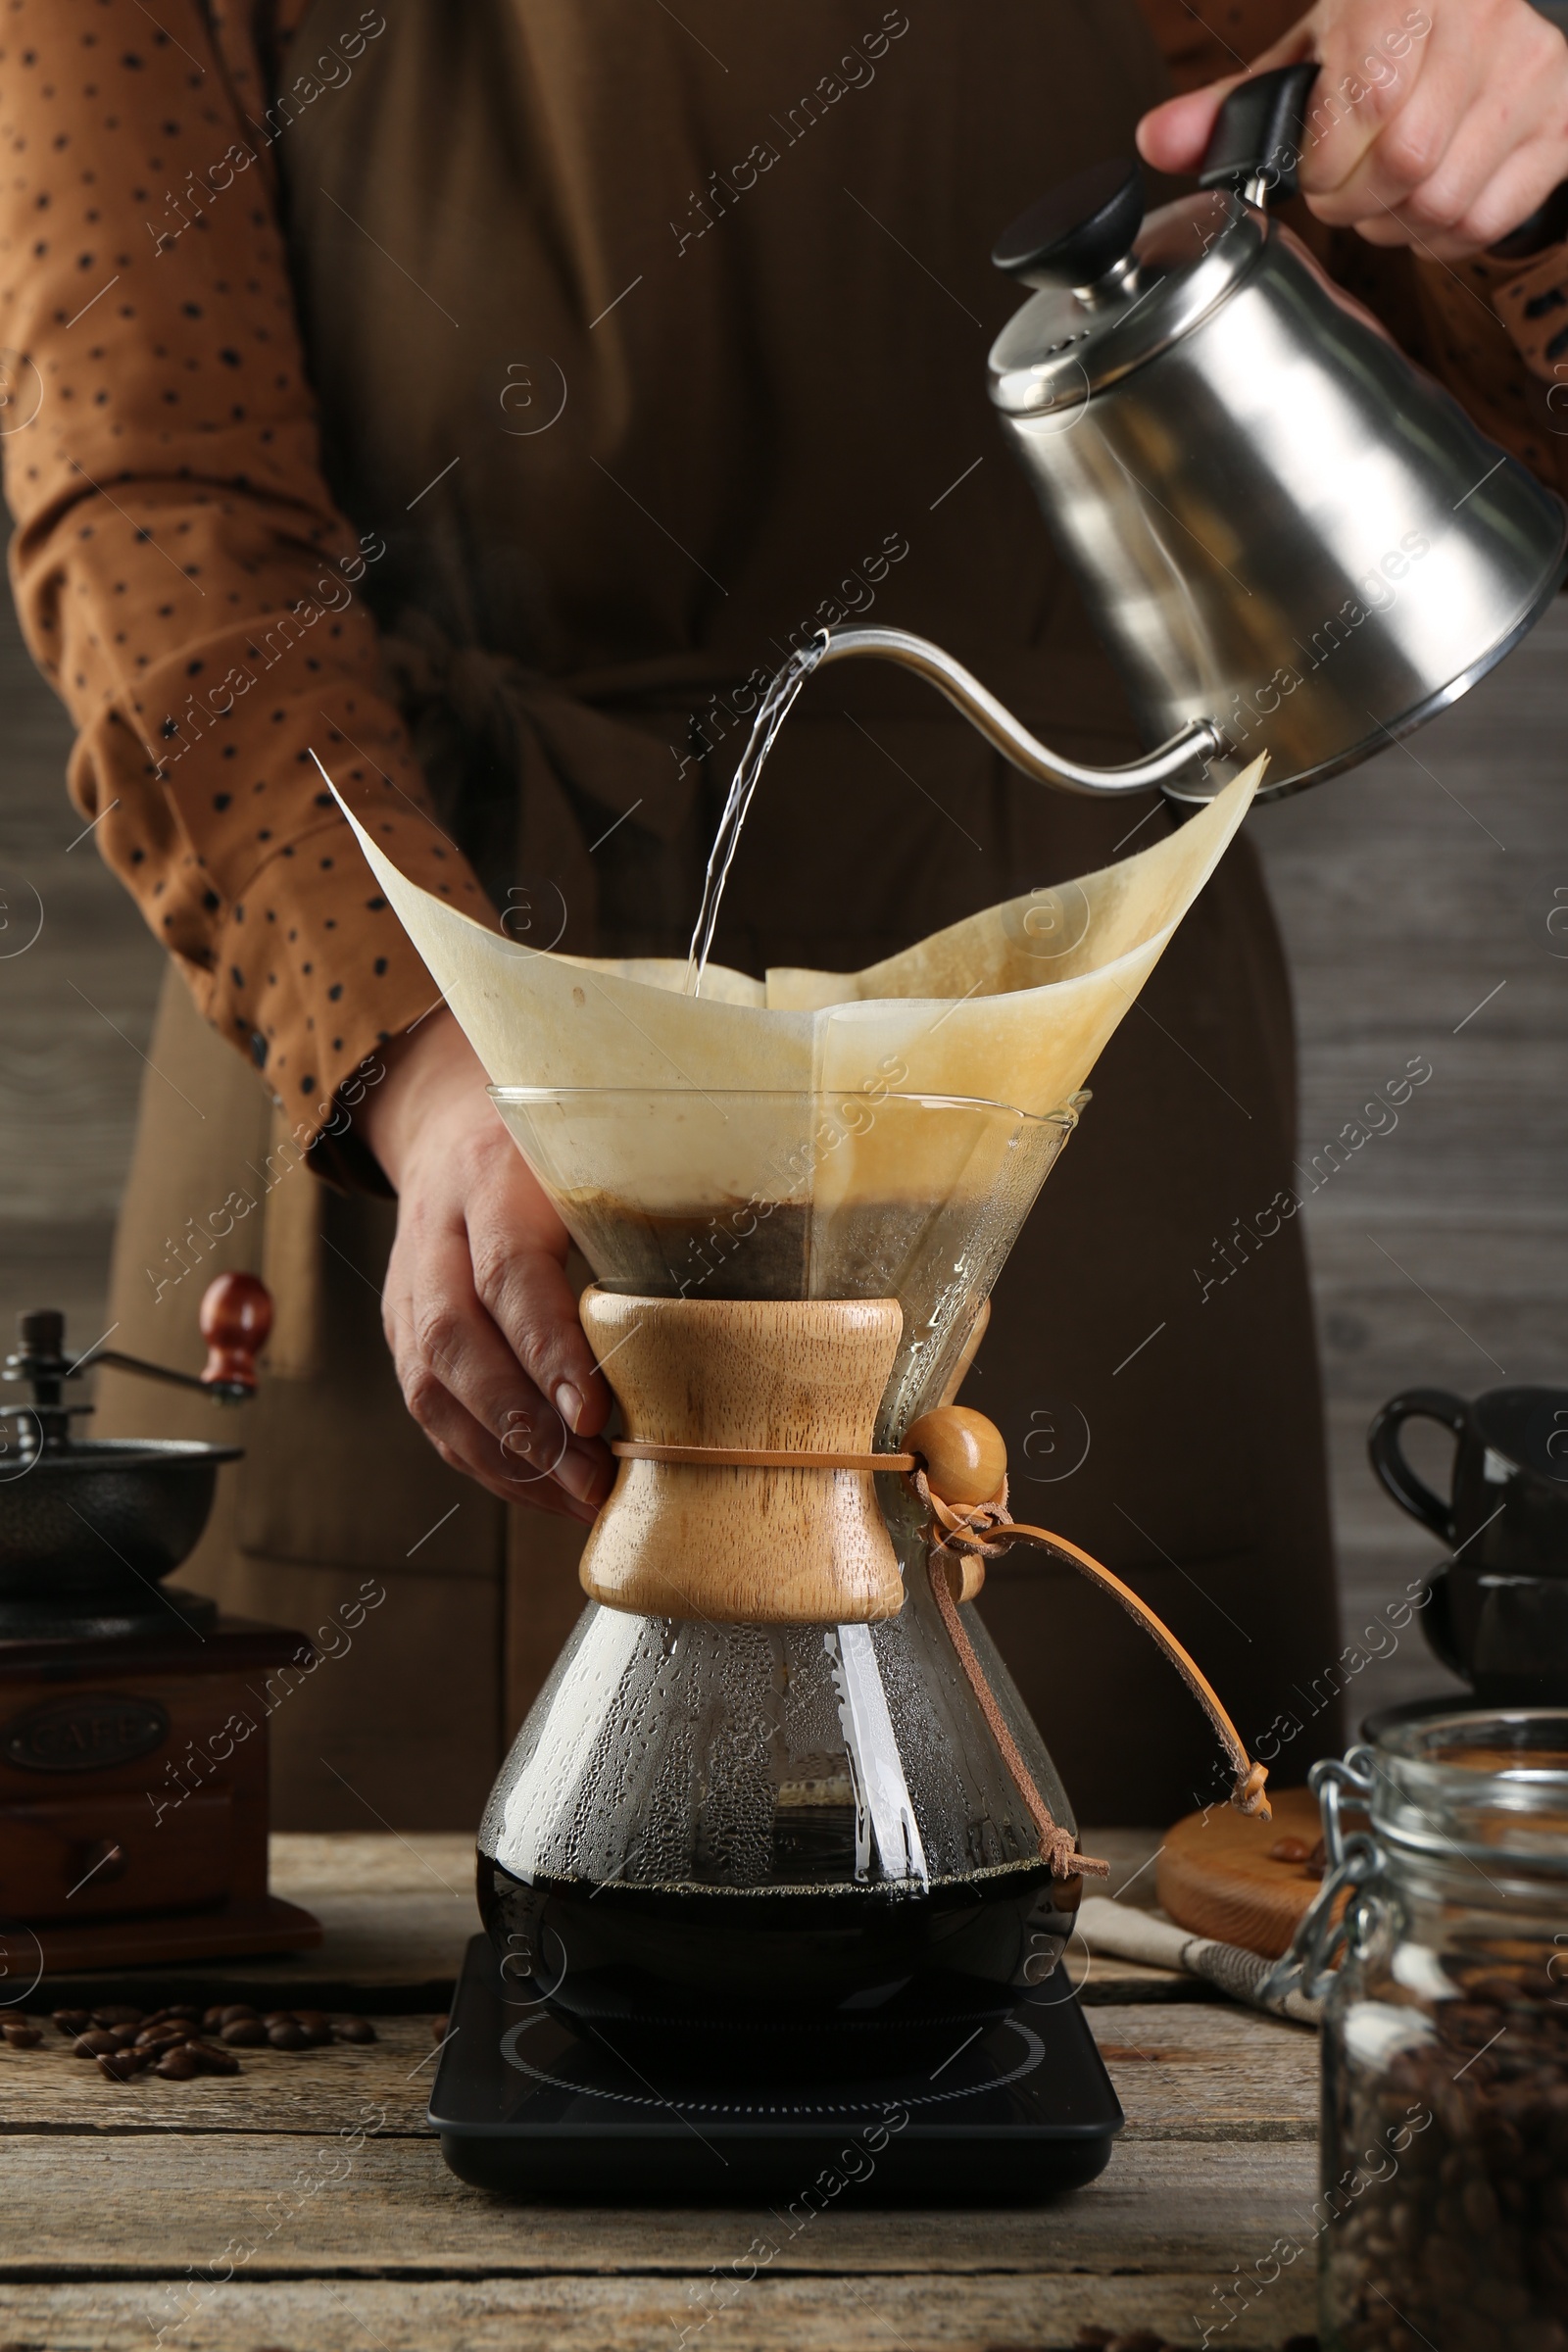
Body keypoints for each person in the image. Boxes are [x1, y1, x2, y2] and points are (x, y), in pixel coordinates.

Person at [2, 0, 1565, 1829]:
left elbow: (1484, 353)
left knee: (1110, 1963)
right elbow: (156, 510)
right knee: (339, 2038)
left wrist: (1518, 161)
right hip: (406, 1030)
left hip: (1050, 1073)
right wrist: (424, 1075)